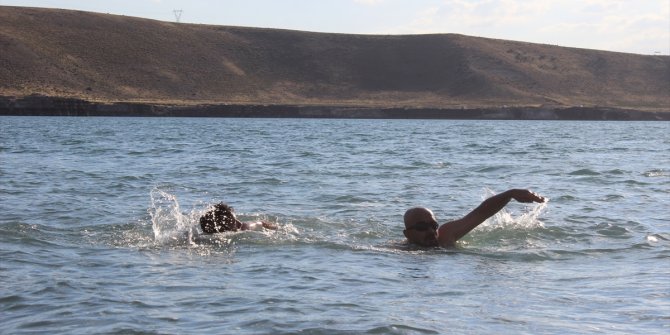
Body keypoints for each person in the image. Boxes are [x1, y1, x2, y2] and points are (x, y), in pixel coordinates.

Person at [403, 189, 545, 247]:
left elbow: (481, 213)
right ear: (407, 234)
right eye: (422, 227)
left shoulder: (444, 236)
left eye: (434, 226)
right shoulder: (401, 252)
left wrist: (510, 194)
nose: (431, 231)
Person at [200, 202, 277, 234]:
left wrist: (274, 227)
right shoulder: (244, 227)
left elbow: (262, 223)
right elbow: (261, 223)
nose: (239, 222)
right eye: (234, 221)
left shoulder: (243, 226)